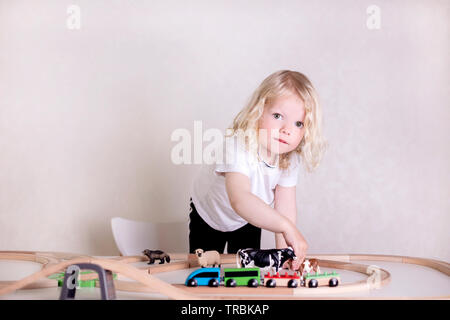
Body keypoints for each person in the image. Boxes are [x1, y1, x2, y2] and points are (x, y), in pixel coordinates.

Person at [188, 70, 326, 269]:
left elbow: (284, 210)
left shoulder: (289, 159)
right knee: (205, 269)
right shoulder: (238, 146)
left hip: (250, 215)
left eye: (298, 123)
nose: (287, 129)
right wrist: (286, 228)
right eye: (278, 116)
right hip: (209, 214)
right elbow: (240, 199)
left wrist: (285, 255)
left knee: (248, 270)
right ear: (258, 111)